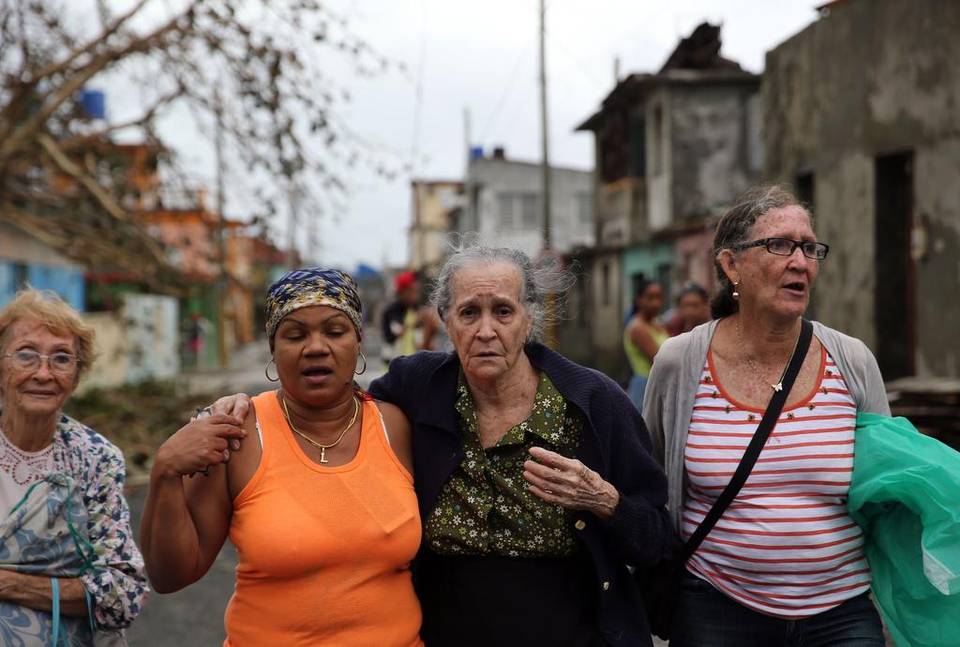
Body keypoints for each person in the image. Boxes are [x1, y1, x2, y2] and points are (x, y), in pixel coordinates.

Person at [211, 246, 673, 646]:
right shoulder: (418, 388)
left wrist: (604, 500)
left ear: (530, 317)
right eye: (469, 312)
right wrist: (243, 407)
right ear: (446, 321)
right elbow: (332, 401)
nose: (486, 330)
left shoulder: (592, 402)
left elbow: (656, 539)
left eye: (504, 312)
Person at [643, 185, 889, 646]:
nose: (800, 261)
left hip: (841, 613)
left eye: (809, 248)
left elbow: (887, 481)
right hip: (716, 608)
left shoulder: (851, 361)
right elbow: (653, 480)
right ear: (730, 264)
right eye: (779, 245)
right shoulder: (680, 362)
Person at [139, 268, 421, 646]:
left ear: (358, 342)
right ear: (273, 349)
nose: (316, 347)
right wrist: (166, 471)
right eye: (295, 334)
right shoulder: (236, 432)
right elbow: (170, 575)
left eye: (335, 331)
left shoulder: (396, 426)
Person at [0, 289, 147, 645]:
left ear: (77, 376)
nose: (43, 373)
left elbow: (123, 594)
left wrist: (9, 584)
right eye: (26, 355)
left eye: (62, 359)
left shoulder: (95, 459)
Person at [623, 280, 669, 410]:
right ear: (639, 300)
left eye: (659, 297)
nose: (655, 303)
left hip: (658, 385)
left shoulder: (657, 323)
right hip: (646, 386)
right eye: (650, 298)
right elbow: (659, 360)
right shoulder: (638, 328)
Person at [381, 270, 427, 360]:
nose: (417, 294)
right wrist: (414, 322)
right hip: (392, 361)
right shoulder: (393, 310)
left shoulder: (415, 309)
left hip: (411, 361)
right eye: (414, 290)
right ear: (404, 292)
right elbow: (397, 331)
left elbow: (420, 340)